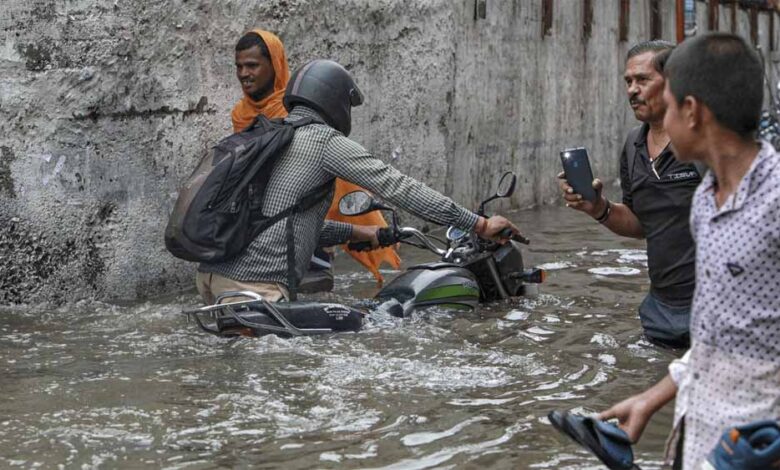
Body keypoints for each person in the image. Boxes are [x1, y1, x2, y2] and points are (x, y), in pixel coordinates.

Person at [598, 32, 780, 469]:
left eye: (671, 105)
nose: (661, 120)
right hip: (700, 431)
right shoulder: (707, 199)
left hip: (758, 441)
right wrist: (651, 398)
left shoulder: (774, 200)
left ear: (693, 112)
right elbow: (718, 335)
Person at [198, 58, 521, 303]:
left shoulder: (270, 136)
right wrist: (478, 224)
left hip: (213, 283)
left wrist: (363, 232)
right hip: (257, 288)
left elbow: (282, 225)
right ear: (335, 102)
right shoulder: (322, 140)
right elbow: (399, 187)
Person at [196, 30, 399, 302]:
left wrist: (354, 228)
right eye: (239, 66)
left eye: (252, 65)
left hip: (305, 228)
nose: (244, 73)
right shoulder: (241, 115)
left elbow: (325, 177)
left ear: (275, 65)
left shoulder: (296, 113)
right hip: (260, 241)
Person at [558, 40, 704, 348]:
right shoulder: (633, 145)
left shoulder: (703, 142)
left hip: (713, 309)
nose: (632, 90)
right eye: (628, 81)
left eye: (642, 80)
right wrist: (597, 207)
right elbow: (640, 224)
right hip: (660, 313)